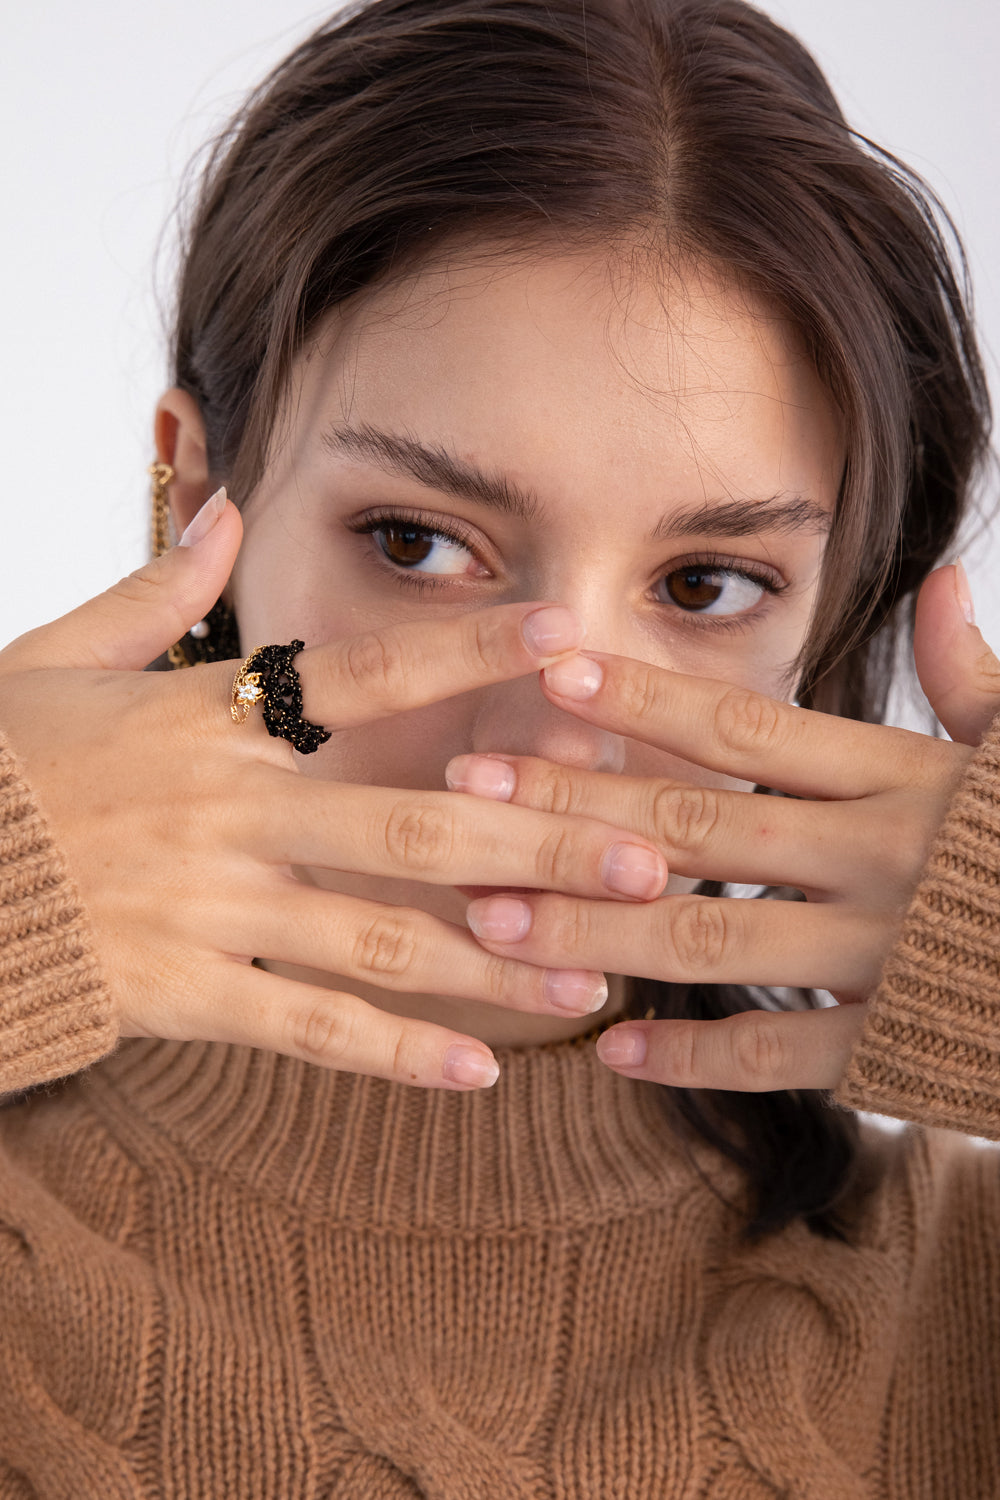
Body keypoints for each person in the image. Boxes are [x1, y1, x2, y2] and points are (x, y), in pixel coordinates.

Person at [1, 0, 998, 1492]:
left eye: (706, 587)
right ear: (200, 492)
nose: (555, 732)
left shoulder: (957, 1292)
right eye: (415, 542)